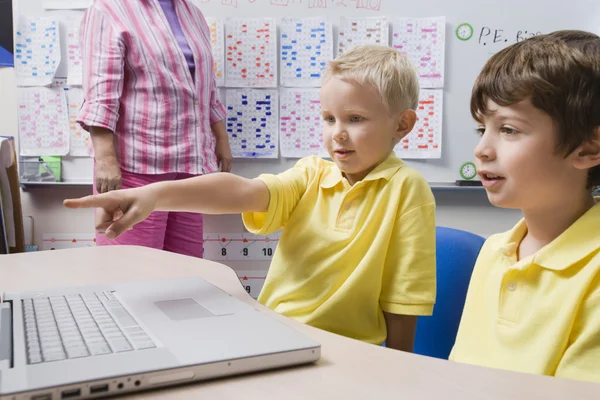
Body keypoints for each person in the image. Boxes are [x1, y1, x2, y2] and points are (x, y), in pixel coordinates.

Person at [66, 45, 436, 351]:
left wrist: (399, 369)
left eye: (354, 119)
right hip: (277, 335)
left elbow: (403, 295)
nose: (337, 134)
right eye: (328, 118)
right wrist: (154, 194)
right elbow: (241, 192)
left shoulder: (407, 189)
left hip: (353, 349)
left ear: (401, 124)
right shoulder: (311, 174)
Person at [450, 30, 600, 382]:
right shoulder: (493, 252)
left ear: (588, 149)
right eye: (481, 129)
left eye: (509, 130)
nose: (482, 150)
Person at [77, 0, 232, 257]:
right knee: (134, 269)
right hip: (136, 164)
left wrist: (221, 139)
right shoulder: (108, 9)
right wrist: (105, 159)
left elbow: (207, 86)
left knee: (186, 268)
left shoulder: (192, 13)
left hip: (190, 167)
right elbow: (100, 94)